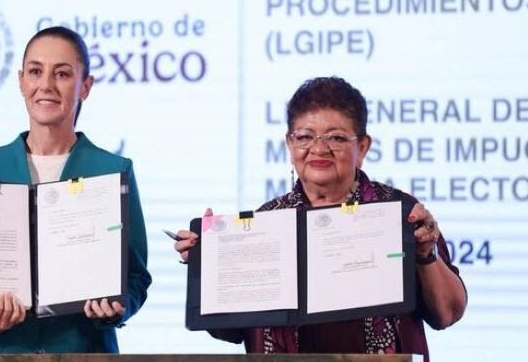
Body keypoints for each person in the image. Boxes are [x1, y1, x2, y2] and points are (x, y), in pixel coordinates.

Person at [174, 76, 466, 361]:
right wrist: (206, 263)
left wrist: (426, 254)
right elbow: (232, 328)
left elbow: (447, 313)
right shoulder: (265, 224)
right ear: (289, 145)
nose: (318, 148)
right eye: (304, 136)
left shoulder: (400, 213)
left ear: (362, 147)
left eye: (336, 137)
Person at [0, 26, 151, 353]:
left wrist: (117, 307)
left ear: (86, 87)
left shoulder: (113, 171)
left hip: (84, 352)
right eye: (35, 72)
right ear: (21, 81)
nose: (46, 85)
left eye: (62, 74)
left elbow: (135, 277)